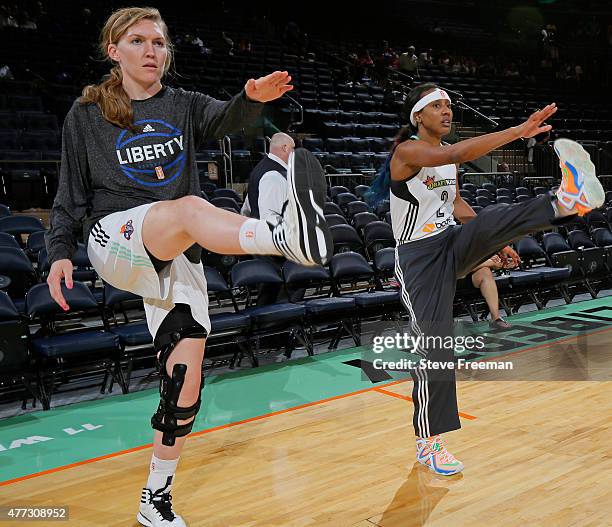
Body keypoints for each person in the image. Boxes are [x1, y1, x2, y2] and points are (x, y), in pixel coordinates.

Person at [44, 8, 332, 527]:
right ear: (115, 51)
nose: (152, 50)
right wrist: (58, 251)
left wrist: (251, 100)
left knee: (185, 378)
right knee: (191, 209)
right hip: (116, 239)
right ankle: (281, 235)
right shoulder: (87, 112)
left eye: (159, 42)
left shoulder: (182, 104)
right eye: (139, 41)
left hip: (176, 254)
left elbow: (226, 118)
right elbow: (69, 193)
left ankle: (155, 497)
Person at [368, 82, 603, 476]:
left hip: (450, 242)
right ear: (418, 116)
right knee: (436, 348)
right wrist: (518, 131)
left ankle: (563, 200)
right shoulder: (408, 152)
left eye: (448, 105)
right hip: (418, 259)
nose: (447, 111)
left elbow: (455, 202)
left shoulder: (446, 161)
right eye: (438, 106)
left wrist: (495, 241)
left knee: (494, 217)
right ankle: (428, 443)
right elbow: (457, 151)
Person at [243, 132, 304, 305]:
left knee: (270, 292)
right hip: (275, 248)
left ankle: (272, 329)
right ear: (285, 148)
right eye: (293, 149)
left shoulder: (260, 169)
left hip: (264, 246)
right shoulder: (274, 175)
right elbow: (270, 218)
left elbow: (246, 208)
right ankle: (280, 330)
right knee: (283, 293)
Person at [470, 254, 513, 329]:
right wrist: (490, 262)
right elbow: (460, 268)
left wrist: (500, 262)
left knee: (485, 272)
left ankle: (496, 319)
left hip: (472, 274)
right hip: (449, 278)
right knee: (485, 268)